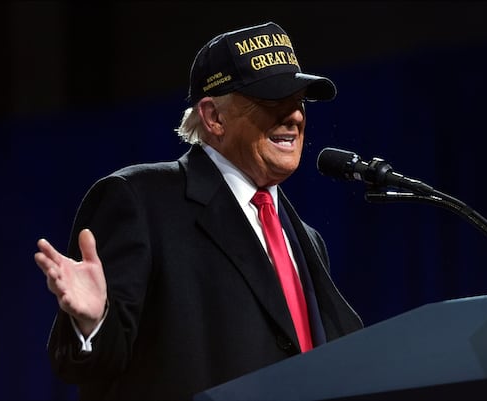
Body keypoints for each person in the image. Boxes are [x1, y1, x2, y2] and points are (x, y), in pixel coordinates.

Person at [34, 21, 363, 400]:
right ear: (213, 117)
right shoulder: (140, 201)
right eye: (272, 99)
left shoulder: (306, 239)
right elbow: (89, 364)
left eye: (300, 100)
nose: (295, 116)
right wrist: (92, 323)